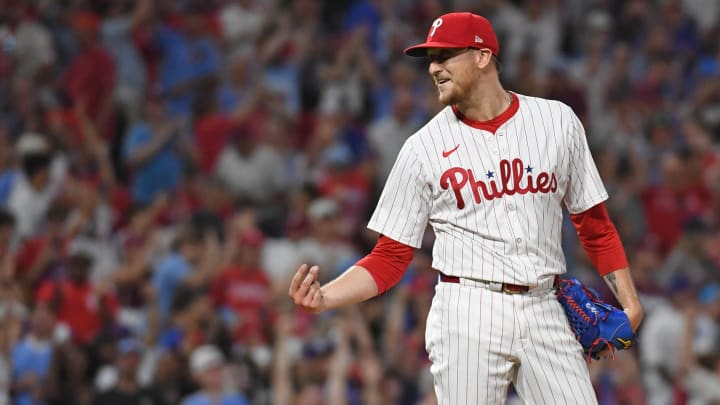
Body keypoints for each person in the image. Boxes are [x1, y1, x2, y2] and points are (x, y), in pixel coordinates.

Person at [289, 12, 644, 404]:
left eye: (445, 56)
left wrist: (629, 302)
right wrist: (327, 297)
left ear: (481, 56)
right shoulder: (422, 149)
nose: (434, 69)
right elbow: (389, 258)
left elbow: (593, 224)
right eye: (431, 60)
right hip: (467, 310)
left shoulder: (557, 122)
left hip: (546, 304)